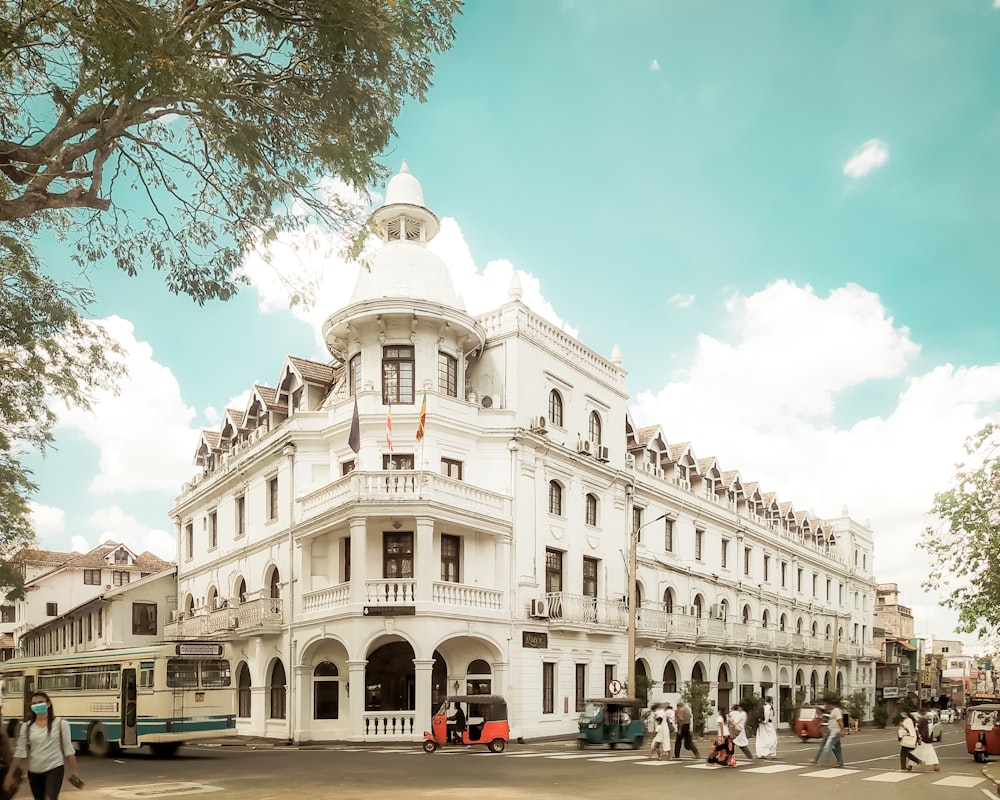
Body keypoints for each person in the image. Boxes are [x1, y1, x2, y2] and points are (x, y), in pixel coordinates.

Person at [2, 692, 80, 800]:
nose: (37, 705)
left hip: (54, 768)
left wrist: (75, 771)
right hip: (34, 772)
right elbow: (20, 751)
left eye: (40, 702)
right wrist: (10, 774)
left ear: (48, 704)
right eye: (34, 703)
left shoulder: (61, 724)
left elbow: (68, 749)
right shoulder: (27, 726)